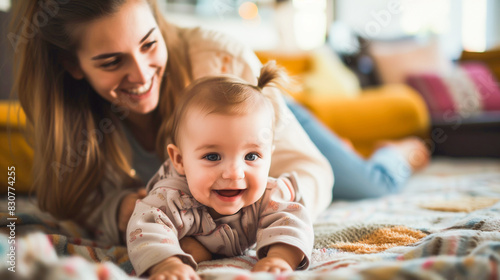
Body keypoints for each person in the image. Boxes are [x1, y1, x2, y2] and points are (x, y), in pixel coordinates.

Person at [10, 0, 332, 247]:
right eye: (111, 61)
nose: (141, 75)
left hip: (268, 107)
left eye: (149, 43)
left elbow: (314, 171)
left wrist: (263, 213)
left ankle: (383, 154)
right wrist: (119, 210)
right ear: (72, 64)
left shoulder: (220, 59)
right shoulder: (64, 116)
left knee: (373, 182)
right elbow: (76, 200)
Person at [127, 63, 313, 279]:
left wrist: (280, 257)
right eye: (212, 157)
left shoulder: (270, 195)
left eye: (251, 156)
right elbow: (146, 228)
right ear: (179, 160)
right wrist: (166, 264)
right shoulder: (171, 198)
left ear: (270, 156)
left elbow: (293, 220)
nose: (234, 173)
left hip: (214, 238)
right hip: (184, 228)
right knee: (183, 248)